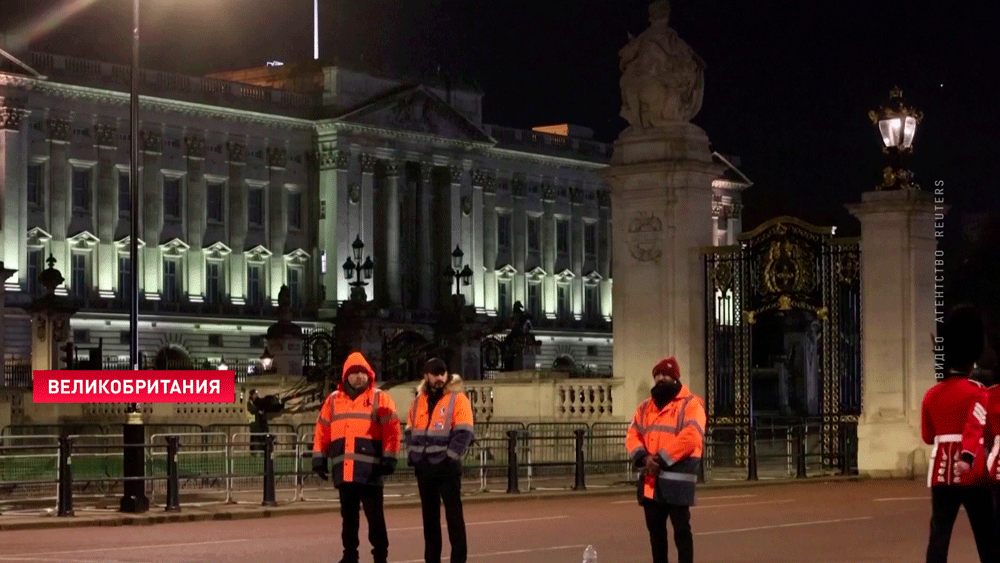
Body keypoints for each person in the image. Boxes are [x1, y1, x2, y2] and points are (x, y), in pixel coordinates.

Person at [921, 305, 998, 563]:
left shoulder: (931, 395)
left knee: (939, 536)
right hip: (974, 472)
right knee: (986, 534)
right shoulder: (978, 391)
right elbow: (985, 432)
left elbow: (927, 436)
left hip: (942, 474)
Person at [313, 351, 401, 563]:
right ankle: (349, 555)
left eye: (362, 372)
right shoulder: (333, 400)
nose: (358, 376)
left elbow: (392, 429)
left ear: (369, 374)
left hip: (371, 469)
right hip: (345, 470)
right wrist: (318, 458)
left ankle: (380, 556)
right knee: (348, 518)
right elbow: (322, 430)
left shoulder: (380, 397)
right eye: (354, 373)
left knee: (375, 518)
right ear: (346, 376)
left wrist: (390, 457)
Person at [625, 356, 706, 563]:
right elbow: (633, 434)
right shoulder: (645, 407)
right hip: (651, 478)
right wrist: (644, 457)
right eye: (657, 375)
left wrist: (660, 459)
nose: (660, 378)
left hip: (677, 479)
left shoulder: (691, 404)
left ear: (675, 377)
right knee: (656, 532)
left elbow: (691, 436)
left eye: (665, 374)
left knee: (681, 532)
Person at [404, 358, 475, 563]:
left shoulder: (457, 399)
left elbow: (464, 432)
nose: (440, 377)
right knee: (430, 520)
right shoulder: (418, 401)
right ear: (426, 375)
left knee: (454, 519)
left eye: (443, 373)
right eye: (435, 373)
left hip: (446, 469)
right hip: (425, 468)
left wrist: (449, 458)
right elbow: (409, 431)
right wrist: (415, 457)